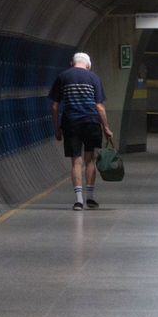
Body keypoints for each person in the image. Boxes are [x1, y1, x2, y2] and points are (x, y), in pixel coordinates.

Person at [49, 52, 114, 211]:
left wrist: (57, 128)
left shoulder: (62, 77)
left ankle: (78, 201)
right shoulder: (94, 78)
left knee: (76, 161)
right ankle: (90, 198)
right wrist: (106, 127)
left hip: (71, 123)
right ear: (87, 64)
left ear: (73, 63)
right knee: (90, 159)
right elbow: (99, 106)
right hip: (91, 123)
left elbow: (55, 106)